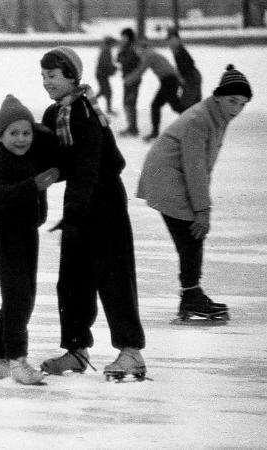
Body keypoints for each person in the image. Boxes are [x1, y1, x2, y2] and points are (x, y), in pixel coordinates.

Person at [38, 47, 147, 381]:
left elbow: (87, 166)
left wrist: (73, 210)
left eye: (53, 76)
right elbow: (50, 156)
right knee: (71, 279)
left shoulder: (85, 113)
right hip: (80, 201)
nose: (46, 83)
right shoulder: (54, 114)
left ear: (72, 77)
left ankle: (131, 352)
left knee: (113, 277)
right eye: (43, 76)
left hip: (104, 201)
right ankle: (76, 350)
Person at [137, 65, 251, 322]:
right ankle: (191, 296)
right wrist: (202, 209)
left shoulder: (216, 117)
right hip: (166, 178)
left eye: (242, 104)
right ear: (219, 96)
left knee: (191, 237)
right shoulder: (201, 119)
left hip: (171, 177)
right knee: (192, 234)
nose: (236, 109)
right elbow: (195, 166)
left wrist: (201, 207)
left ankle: (191, 295)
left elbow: (200, 167)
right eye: (232, 101)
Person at [0, 94, 59, 385]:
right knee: (17, 300)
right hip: (6, 237)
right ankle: (17, 361)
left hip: (28, 234)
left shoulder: (31, 158)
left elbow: (49, 145)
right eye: (13, 133)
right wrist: (34, 185)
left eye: (26, 132)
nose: (21, 139)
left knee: (22, 300)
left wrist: (38, 128)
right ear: (0, 136)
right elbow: (0, 197)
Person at [124, 40, 185, 142]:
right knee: (156, 105)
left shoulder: (149, 56)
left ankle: (196, 119)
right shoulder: (153, 54)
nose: (137, 52)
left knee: (175, 105)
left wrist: (128, 80)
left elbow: (141, 70)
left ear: (142, 49)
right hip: (168, 80)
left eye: (138, 50)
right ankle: (155, 132)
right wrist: (180, 80)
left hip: (168, 81)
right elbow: (171, 67)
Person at [166, 28, 202, 110]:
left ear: (177, 39)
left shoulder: (179, 51)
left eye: (171, 39)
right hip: (193, 77)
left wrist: (182, 81)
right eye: (168, 40)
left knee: (186, 106)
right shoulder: (177, 50)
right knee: (193, 107)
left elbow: (187, 66)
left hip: (192, 78)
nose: (169, 42)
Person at [116, 28, 141, 137]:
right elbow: (118, 59)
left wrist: (121, 53)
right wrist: (121, 51)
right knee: (127, 103)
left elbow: (127, 61)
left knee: (130, 103)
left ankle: (133, 128)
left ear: (129, 38)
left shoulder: (132, 49)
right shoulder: (126, 48)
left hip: (133, 80)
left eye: (124, 37)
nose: (122, 39)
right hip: (128, 79)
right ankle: (132, 127)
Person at [94, 36, 117, 115]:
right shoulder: (106, 51)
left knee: (104, 91)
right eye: (113, 44)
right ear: (110, 43)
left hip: (102, 74)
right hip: (101, 74)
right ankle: (88, 103)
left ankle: (88, 103)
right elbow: (106, 63)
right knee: (107, 91)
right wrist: (113, 69)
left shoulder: (106, 50)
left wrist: (112, 68)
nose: (115, 45)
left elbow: (107, 63)